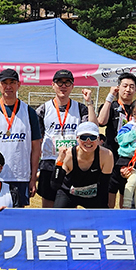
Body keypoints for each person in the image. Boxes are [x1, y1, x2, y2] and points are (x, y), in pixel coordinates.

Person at [0, 68, 42, 207]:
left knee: (18, 216)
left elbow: (36, 148)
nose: (8, 86)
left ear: (19, 85)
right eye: (4, 83)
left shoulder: (29, 112)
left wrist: (32, 178)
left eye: (12, 82)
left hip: (20, 175)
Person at [36, 69, 96, 208]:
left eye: (67, 83)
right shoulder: (43, 109)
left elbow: (93, 127)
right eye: (59, 82)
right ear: (53, 85)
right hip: (50, 162)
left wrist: (89, 103)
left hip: (72, 163)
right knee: (48, 205)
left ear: (72, 86)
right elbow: (37, 140)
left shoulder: (80, 108)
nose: (63, 86)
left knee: (69, 205)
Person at [97, 72, 136, 207]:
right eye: (125, 86)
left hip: (130, 160)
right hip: (111, 158)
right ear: (118, 87)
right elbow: (101, 121)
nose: (128, 89)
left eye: (131, 86)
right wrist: (110, 96)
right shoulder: (111, 106)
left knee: (127, 201)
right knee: (109, 201)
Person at [53, 122, 114, 208]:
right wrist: (59, 161)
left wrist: (102, 211)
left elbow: (104, 186)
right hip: (68, 193)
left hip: (93, 195)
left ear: (98, 139)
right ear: (77, 139)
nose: (88, 141)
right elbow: (55, 185)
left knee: (102, 213)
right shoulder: (68, 155)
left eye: (92, 137)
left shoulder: (106, 155)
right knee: (58, 214)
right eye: (84, 137)